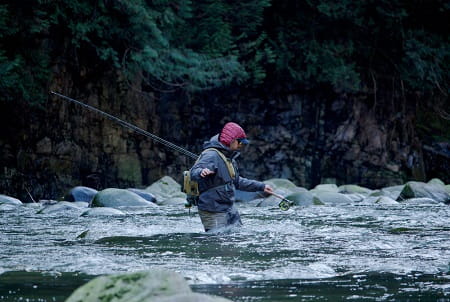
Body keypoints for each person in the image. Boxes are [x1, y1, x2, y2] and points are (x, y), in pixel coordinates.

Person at [190, 122, 273, 232]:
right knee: (216, 244)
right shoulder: (211, 155)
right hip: (213, 210)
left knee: (238, 237)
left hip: (228, 208)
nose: (241, 145)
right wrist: (202, 172)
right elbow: (194, 172)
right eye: (240, 142)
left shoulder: (228, 158)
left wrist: (261, 186)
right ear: (231, 140)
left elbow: (237, 182)